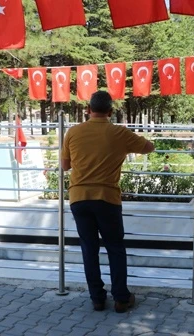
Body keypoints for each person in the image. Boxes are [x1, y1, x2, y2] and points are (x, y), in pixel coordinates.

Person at [61, 91, 155, 313]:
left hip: (79, 198)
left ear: (88, 110)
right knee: (115, 247)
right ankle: (121, 298)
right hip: (107, 199)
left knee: (89, 248)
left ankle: (97, 298)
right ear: (111, 112)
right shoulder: (119, 133)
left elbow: (65, 166)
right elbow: (148, 147)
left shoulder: (73, 132)